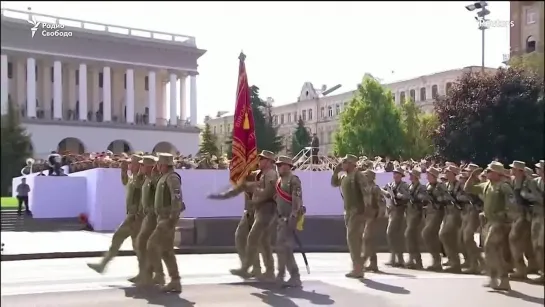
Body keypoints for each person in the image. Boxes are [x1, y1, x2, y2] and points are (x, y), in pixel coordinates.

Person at [208, 169, 272, 280]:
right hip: (248, 214)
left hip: (262, 213)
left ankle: (261, 270)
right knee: (240, 237)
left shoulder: (261, 181)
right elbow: (231, 193)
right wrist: (215, 196)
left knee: (259, 242)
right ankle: (249, 267)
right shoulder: (246, 184)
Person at [87, 154, 145, 274]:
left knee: (132, 243)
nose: (130, 165)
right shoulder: (134, 177)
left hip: (137, 217)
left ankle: (147, 273)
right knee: (134, 245)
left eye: (132, 163)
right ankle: (145, 272)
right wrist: (123, 170)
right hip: (132, 216)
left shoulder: (142, 179)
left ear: (139, 165)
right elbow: (126, 182)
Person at [464, 161, 514, 291]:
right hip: (488, 222)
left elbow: (512, 203)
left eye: (490, 171)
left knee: (490, 247)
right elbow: (468, 189)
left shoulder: (504, 186)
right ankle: (495, 277)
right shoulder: (486, 185)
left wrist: (506, 215)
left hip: (500, 223)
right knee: (491, 250)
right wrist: (472, 177)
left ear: (498, 173)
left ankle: (502, 278)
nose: (487, 173)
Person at [229, 150, 278, 279]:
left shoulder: (271, 174)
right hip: (253, 210)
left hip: (266, 209)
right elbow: (246, 178)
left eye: (262, 159)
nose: (259, 161)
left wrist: (255, 195)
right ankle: (258, 269)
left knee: (257, 239)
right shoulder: (259, 174)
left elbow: (269, 192)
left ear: (268, 161)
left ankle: (250, 268)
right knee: (245, 237)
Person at [141, 153, 184, 292]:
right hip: (162, 218)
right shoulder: (163, 177)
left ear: (165, 164)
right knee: (166, 251)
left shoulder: (172, 177)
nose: (157, 166)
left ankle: (160, 275)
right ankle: (175, 281)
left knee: (151, 244)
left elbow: (176, 197)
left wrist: (173, 218)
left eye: (159, 163)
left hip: (167, 219)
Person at [331, 154, 369, 278]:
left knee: (353, 240)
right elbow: (334, 183)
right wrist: (335, 171)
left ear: (352, 163)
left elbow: (366, 193)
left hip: (357, 211)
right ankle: (358, 266)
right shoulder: (344, 176)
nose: (343, 164)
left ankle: (358, 269)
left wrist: (366, 209)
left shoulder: (358, 175)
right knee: (354, 240)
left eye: (345, 162)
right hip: (348, 212)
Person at [132, 155, 165, 285]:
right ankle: (149, 273)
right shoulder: (147, 179)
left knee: (146, 245)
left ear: (150, 166)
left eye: (143, 165)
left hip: (154, 216)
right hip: (146, 216)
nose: (141, 167)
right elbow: (136, 186)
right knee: (143, 245)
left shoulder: (156, 180)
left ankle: (157, 274)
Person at [274, 155, 303, 287]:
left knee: (284, 247)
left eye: (281, 165)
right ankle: (286, 275)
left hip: (288, 219)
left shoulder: (293, 180)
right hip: (280, 219)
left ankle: (289, 275)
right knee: (283, 248)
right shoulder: (279, 180)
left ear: (287, 166)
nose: (278, 167)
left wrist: (294, 216)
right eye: (278, 165)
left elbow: (297, 199)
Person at [508, 160, 540, 279]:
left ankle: (521, 270)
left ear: (520, 171)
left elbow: (538, 197)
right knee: (525, 242)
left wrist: (525, 195)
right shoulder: (512, 180)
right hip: (516, 214)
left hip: (526, 215)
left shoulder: (529, 182)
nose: (511, 170)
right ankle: (531, 265)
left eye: (514, 169)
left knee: (514, 239)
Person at [421, 167, 447, 271]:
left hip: (437, 213)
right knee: (431, 236)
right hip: (429, 212)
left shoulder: (440, 186)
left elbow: (445, 198)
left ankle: (437, 261)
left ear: (434, 176)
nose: (427, 176)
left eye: (429, 175)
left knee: (426, 233)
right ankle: (436, 261)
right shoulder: (428, 185)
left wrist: (435, 198)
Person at [383, 167, 410, 267]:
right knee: (393, 235)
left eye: (398, 174)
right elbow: (384, 191)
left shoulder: (404, 185)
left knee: (392, 234)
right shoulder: (391, 185)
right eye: (394, 174)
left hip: (400, 211)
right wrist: (386, 192)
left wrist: (399, 195)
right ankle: (396, 258)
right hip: (392, 211)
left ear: (401, 176)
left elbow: (407, 196)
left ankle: (398, 258)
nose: (396, 176)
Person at [439, 165, 463, 273]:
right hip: (448, 212)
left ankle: (455, 262)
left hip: (456, 213)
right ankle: (452, 259)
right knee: (444, 236)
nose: (446, 174)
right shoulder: (447, 185)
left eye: (448, 172)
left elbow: (466, 197)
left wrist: (457, 197)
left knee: (446, 235)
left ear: (454, 174)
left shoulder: (459, 185)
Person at [405, 168, 427, 269]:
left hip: (416, 213)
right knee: (411, 237)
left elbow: (423, 197)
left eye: (411, 175)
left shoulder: (421, 187)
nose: (410, 176)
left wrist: (414, 197)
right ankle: (413, 259)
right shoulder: (410, 186)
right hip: (409, 213)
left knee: (409, 234)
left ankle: (417, 260)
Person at [531, 160, 544, 283]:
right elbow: (524, 194)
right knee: (536, 245)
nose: (537, 170)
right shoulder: (535, 183)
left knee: (541, 245)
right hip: (537, 216)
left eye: (539, 168)